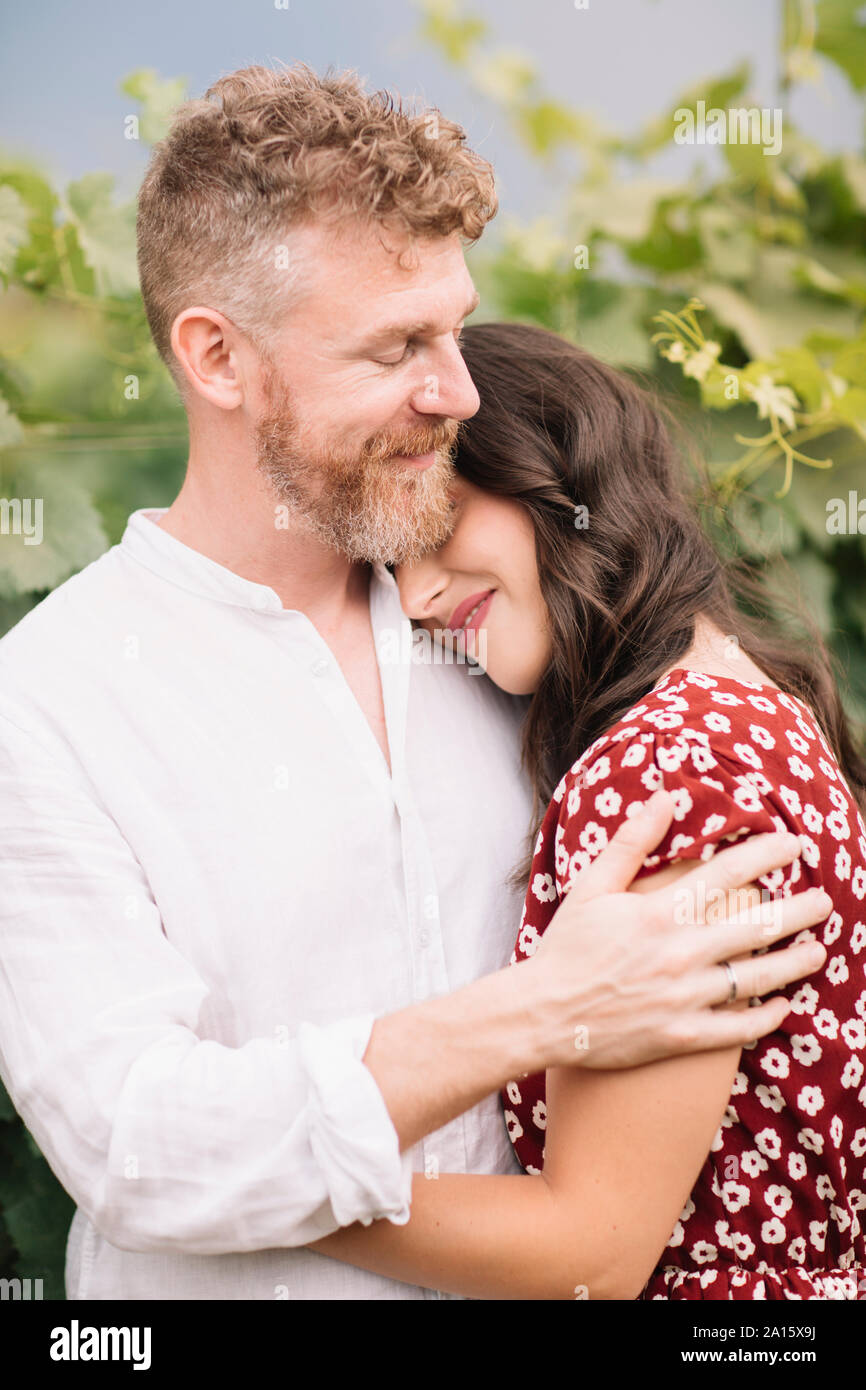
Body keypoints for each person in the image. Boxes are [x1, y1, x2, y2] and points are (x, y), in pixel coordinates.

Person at [0, 65, 828, 1302]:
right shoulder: (49, 701)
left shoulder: (508, 613)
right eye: (398, 347)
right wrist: (544, 1010)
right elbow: (135, 1138)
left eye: (454, 326)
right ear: (219, 358)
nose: (458, 388)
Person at [304, 323, 866, 1300]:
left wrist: (273, 1185)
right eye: (391, 569)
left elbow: (588, 1252)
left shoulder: (667, 764)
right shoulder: (733, 707)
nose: (421, 594)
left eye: (434, 525)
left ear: (550, 479)